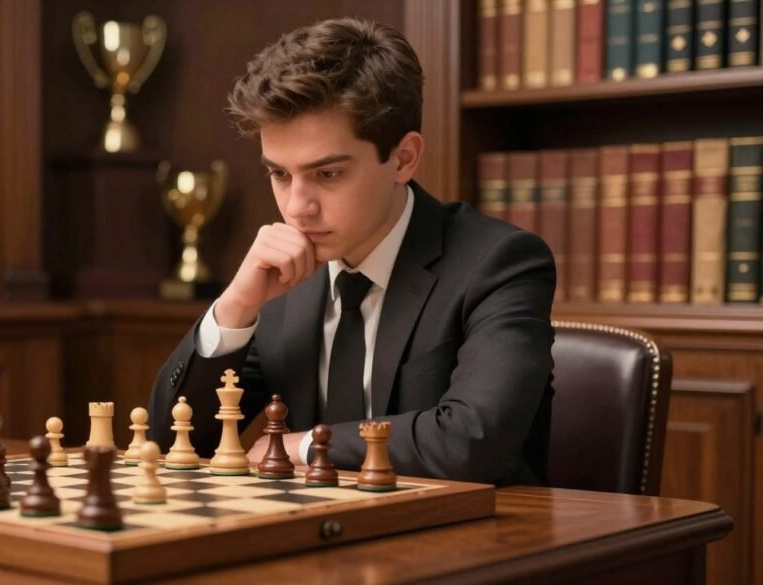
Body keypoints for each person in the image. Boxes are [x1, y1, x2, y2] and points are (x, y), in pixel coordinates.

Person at [146, 17, 555, 485]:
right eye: (280, 174)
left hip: (463, 542)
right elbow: (170, 440)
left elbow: (471, 441)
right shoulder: (283, 279)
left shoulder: (500, 263)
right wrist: (236, 308)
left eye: (328, 174)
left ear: (403, 158)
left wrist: (302, 444)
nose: (297, 208)